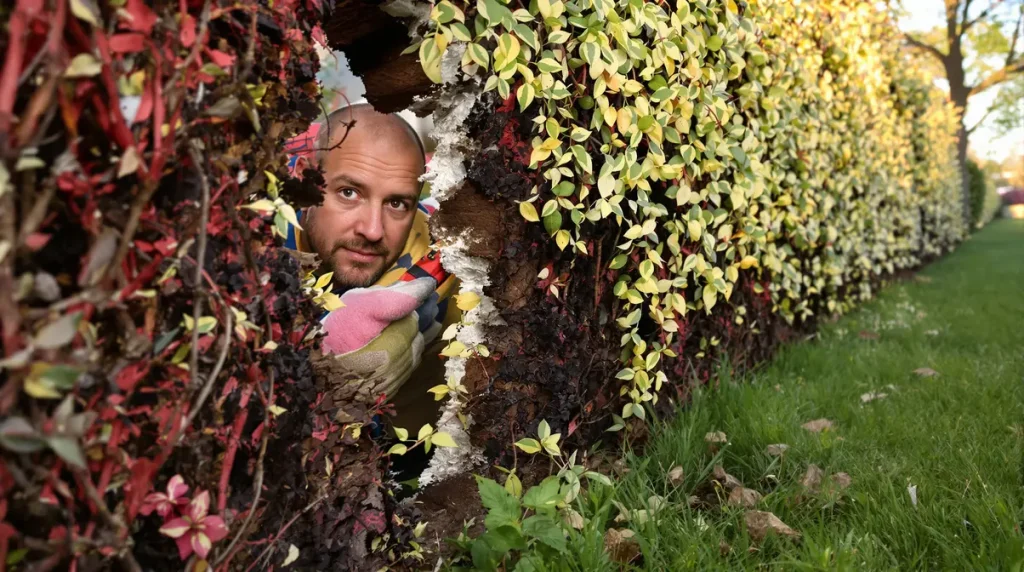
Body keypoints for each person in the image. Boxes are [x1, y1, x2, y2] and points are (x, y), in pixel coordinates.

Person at [285, 104, 460, 430]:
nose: (373, 230)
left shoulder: (448, 252)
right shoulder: (254, 250)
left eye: (397, 203)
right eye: (349, 192)